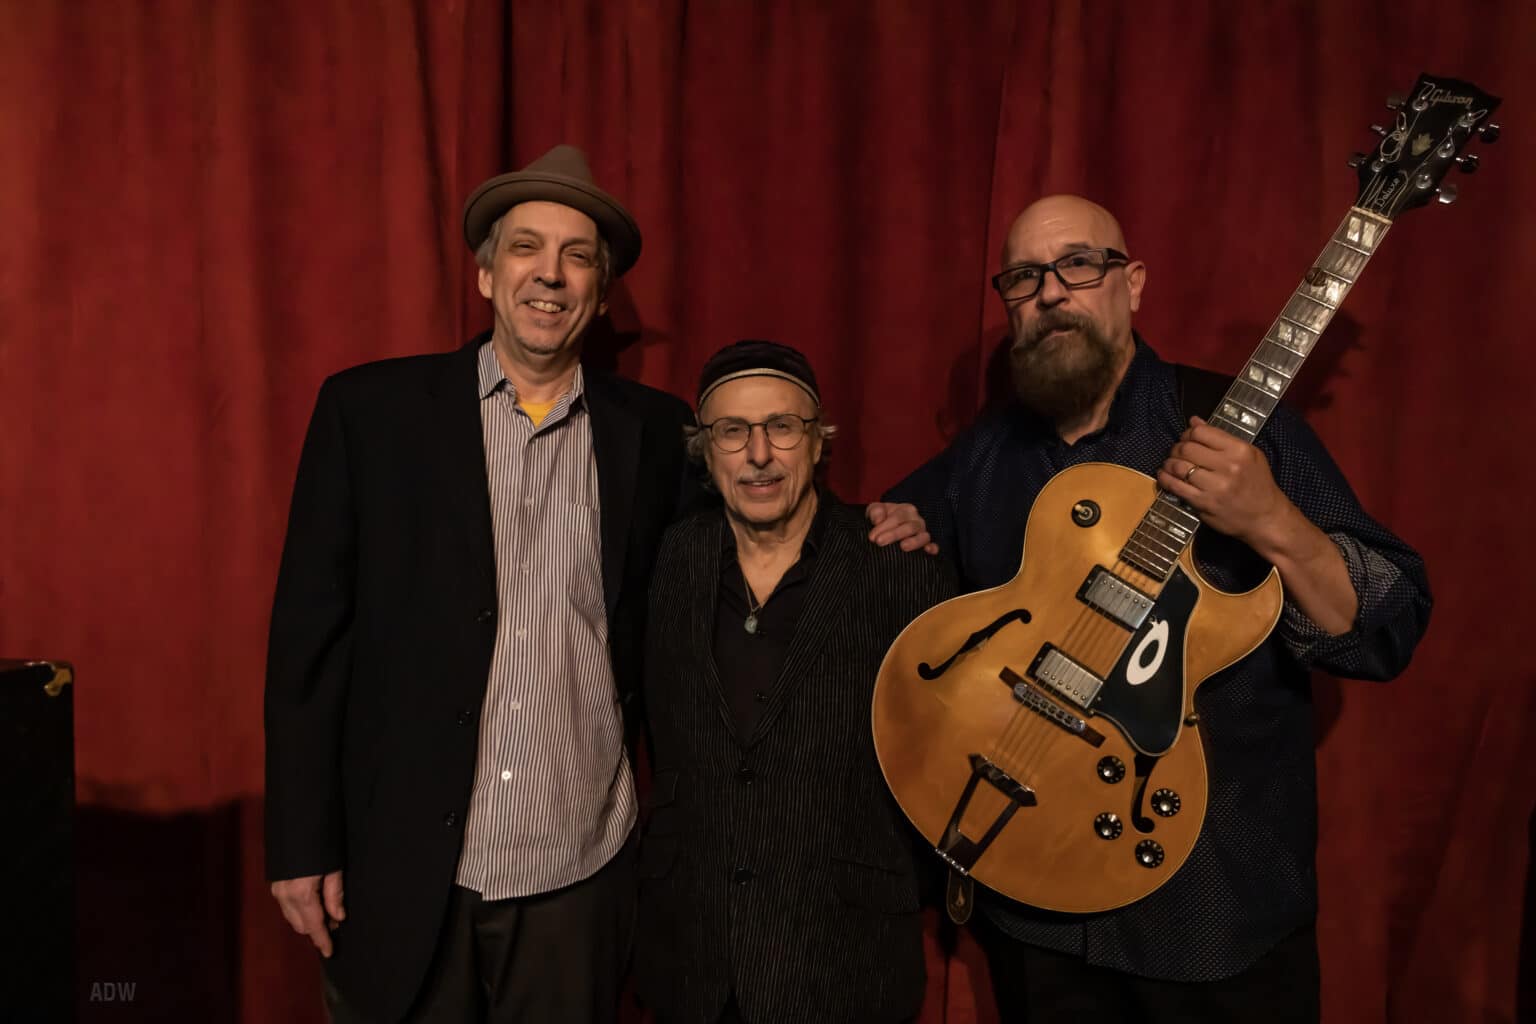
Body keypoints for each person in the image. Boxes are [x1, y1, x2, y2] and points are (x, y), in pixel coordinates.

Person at [264, 147, 932, 1024]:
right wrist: (301, 841)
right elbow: (309, 641)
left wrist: (894, 520)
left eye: (577, 256)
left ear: (602, 291)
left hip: (577, 877)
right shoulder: (370, 414)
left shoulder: (654, 435)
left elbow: (766, 512)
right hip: (401, 865)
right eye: (526, 248)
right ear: (485, 274)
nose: (550, 274)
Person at [885, 195, 1432, 1022]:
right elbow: (900, 553)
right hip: (1034, 902)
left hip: (1213, 914)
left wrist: (1272, 520)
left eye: (1079, 264)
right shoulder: (987, 454)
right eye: (1025, 277)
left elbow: (1388, 627)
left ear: (1132, 282)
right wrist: (891, 529)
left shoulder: (1237, 427)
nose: (1051, 292)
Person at [634, 341, 955, 1023]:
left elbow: (946, 751)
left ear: (817, 441)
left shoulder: (898, 564)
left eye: (782, 427)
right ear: (706, 451)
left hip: (844, 956)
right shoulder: (669, 560)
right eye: (732, 431)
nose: (759, 454)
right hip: (692, 957)